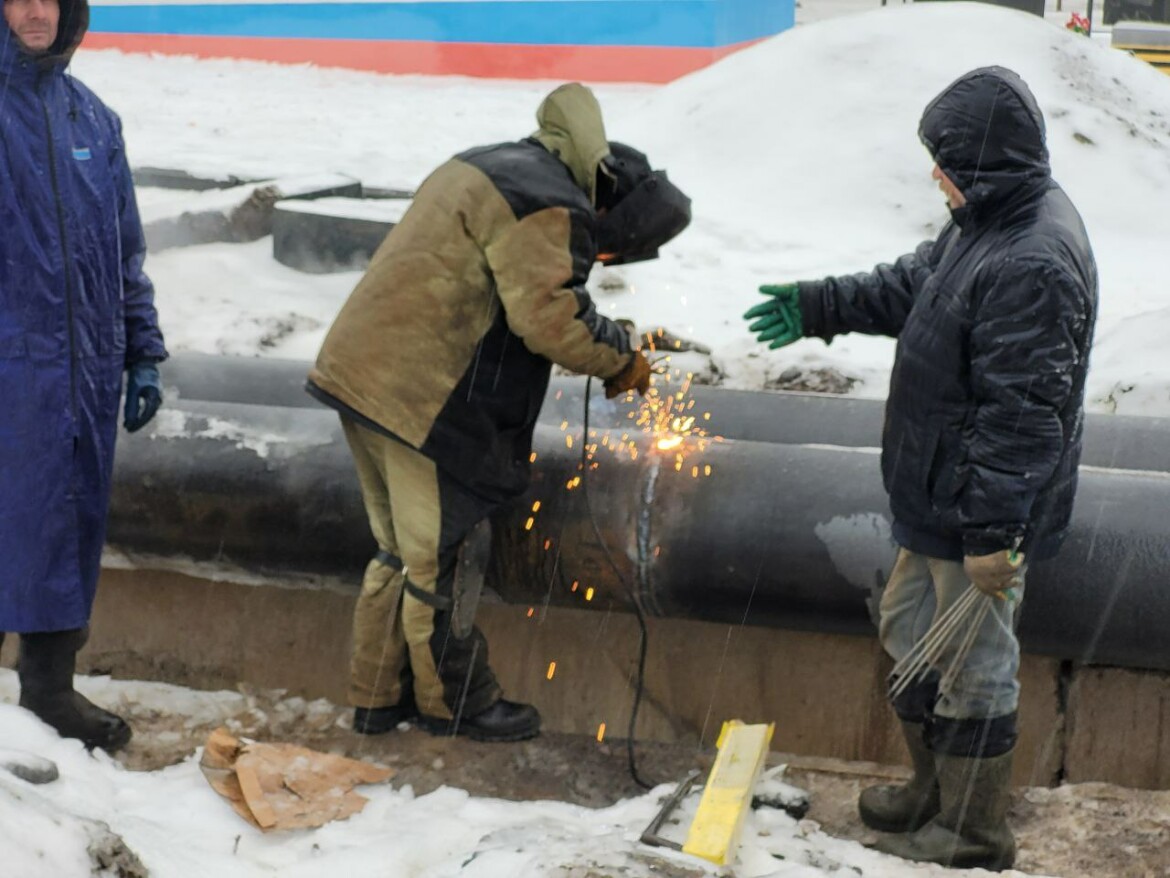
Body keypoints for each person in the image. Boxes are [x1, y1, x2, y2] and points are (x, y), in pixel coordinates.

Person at [745, 67, 1097, 870]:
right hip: (937, 499)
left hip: (975, 516)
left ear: (980, 165)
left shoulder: (1033, 260)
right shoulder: (987, 218)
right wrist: (821, 304)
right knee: (909, 634)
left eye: (942, 161)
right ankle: (932, 788)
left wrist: (993, 533)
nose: (932, 174)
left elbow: (1024, 415)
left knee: (976, 668)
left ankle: (974, 832)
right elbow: (918, 285)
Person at [308, 82, 689, 743]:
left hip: (363, 377)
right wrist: (622, 358)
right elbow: (549, 320)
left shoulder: (494, 162)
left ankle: (377, 698)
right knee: (439, 561)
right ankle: (452, 703)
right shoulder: (550, 202)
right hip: (422, 399)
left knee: (398, 553)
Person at [1, 0, 167, 752]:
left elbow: (123, 251)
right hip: (11, 368)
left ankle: (48, 691)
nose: (35, 12)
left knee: (67, 528)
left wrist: (141, 351)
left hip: (84, 376)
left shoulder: (93, 122)